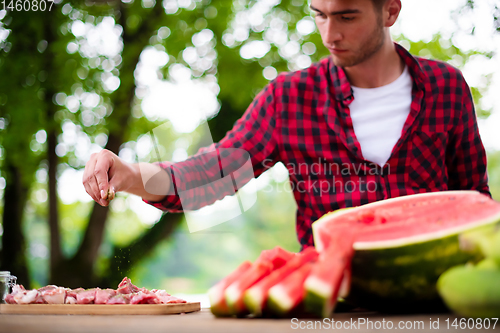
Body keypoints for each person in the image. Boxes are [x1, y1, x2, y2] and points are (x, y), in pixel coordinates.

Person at [83, 0, 490, 248]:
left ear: (390, 10)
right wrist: (131, 174)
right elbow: (212, 172)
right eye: (320, 15)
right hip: (328, 302)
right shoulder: (289, 98)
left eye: (347, 16)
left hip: (434, 301)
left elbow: (475, 201)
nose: (330, 34)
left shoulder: (446, 87)